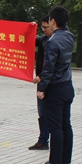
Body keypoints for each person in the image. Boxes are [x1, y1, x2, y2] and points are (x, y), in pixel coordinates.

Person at [34, 6, 75, 164]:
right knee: (66, 124)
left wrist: (41, 88)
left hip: (56, 88)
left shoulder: (53, 41)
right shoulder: (69, 36)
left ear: (53, 21)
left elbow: (49, 68)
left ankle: (54, 162)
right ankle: (65, 161)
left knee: (55, 127)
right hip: (67, 86)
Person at [29, 15, 51, 150]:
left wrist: (41, 76)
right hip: (42, 81)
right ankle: (43, 140)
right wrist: (30, 29)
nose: (43, 30)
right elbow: (29, 40)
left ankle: (49, 140)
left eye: (45, 27)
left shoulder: (57, 41)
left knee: (50, 114)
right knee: (42, 112)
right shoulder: (43, 39)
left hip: (52, 83)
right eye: (42, 27)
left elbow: (53, 65)